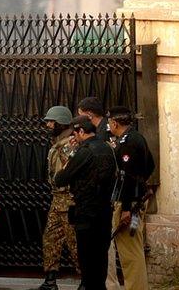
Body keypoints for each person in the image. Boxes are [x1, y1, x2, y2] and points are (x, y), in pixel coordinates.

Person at [54, 116, 116, 290]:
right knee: (101, 255)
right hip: (105, 210)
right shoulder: (107, 148)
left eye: (75, 133)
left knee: (87, 257)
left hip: (86, 211)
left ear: (81, 132)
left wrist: (70, 155)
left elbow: (61, 179)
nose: (75, 138)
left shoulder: (85, 151)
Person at [106, 106, 154, 290]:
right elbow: (150, 165)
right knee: (134, 246)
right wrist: (141, 185)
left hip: (130, 205)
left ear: (114, 123)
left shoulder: (127, 143)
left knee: (129, 250)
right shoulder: (136, 138)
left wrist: (125, 208)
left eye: (109, 122)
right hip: (136, 202)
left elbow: (126, 177)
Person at [37, 106, 79, 290]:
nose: (47, 125)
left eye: (51, 122)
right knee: (51, 239)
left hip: (70, 201)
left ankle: (87, 281)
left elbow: (73, 172)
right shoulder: (58, 143)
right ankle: (50, 280)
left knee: (75, 242)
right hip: (58, 201)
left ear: (61, 123)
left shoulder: (71, 144)